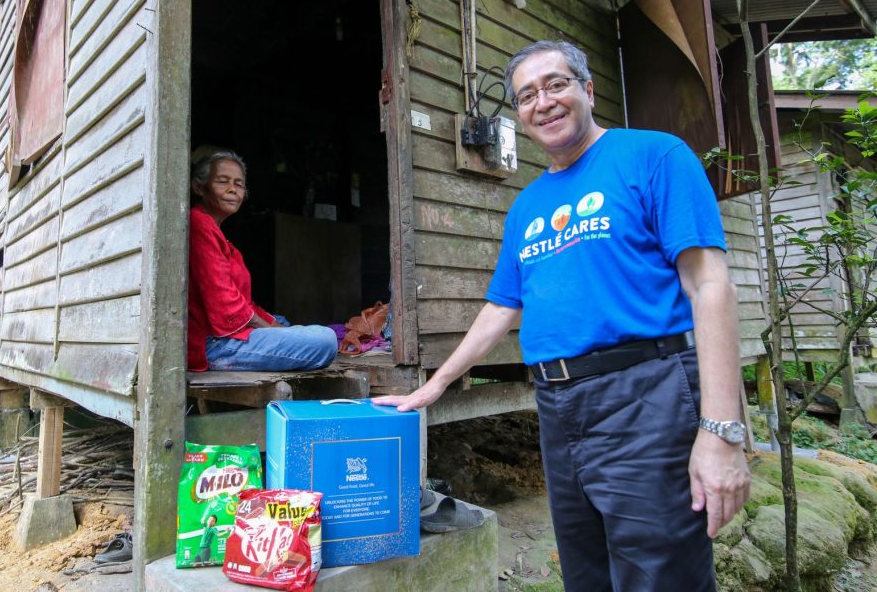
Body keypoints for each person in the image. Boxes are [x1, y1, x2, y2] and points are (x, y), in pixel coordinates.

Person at [374, 40, 751, 590]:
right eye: (527, 95)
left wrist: (722, 432)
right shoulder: (527, 205)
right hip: (557, 406)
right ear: (521, 115)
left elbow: (710, 285)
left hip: (646, 394)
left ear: (588, 90)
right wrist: (436, 386)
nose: (543, 102)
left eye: (556, 84)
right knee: (586, 574)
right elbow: (502, 306)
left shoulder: (655, 156)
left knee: (659, 575)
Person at [187, 150, 338, 372]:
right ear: (199, 187)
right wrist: (273, 331)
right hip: (213, 344)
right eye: (222, 181)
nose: (232, 189)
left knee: (282, 320)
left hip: (225, 335)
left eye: (239, 184)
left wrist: (276, 327)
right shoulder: (198, 223)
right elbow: (225, 304)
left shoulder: (219, 236)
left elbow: (244, 303)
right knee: (326, 340)